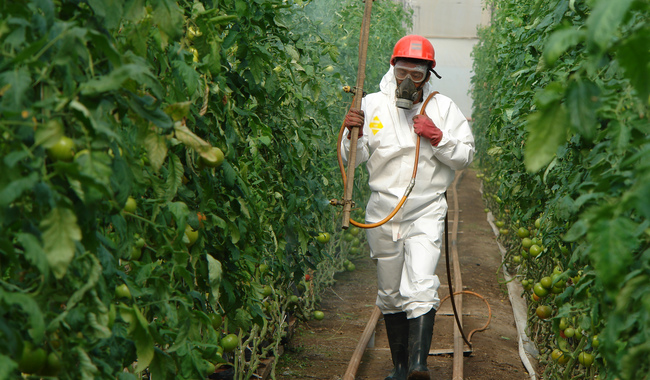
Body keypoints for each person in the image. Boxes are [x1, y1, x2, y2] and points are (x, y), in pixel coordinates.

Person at [341, 35, 475, 380]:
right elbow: (350, 160)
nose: (408, 82)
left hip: (425, 210)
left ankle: (419, 366)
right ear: (392, 68)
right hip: (383, 212)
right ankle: (399, 368)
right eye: (403, 72)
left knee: (420, 284)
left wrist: (437, 136)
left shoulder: (442, 108)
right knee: (389, 293)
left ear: (429, 74)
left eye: (417, 75)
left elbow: (465, 156)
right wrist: (348, 135)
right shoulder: (371, 105)